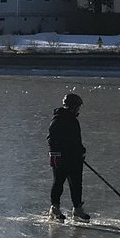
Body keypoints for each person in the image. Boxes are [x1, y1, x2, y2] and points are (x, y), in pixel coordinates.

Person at [47, 92, 90, 222]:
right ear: (73, 106)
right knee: (59, 182)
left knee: (77, 184)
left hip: (75, 158)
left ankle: (77, 209)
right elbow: (51, 140)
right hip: (61, 158)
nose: (79, 110)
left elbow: (76, 141)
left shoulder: (74, 121)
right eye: (78, 107)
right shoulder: (58, 119)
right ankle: (54, 208)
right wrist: (59, 153)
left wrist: (81, 151)